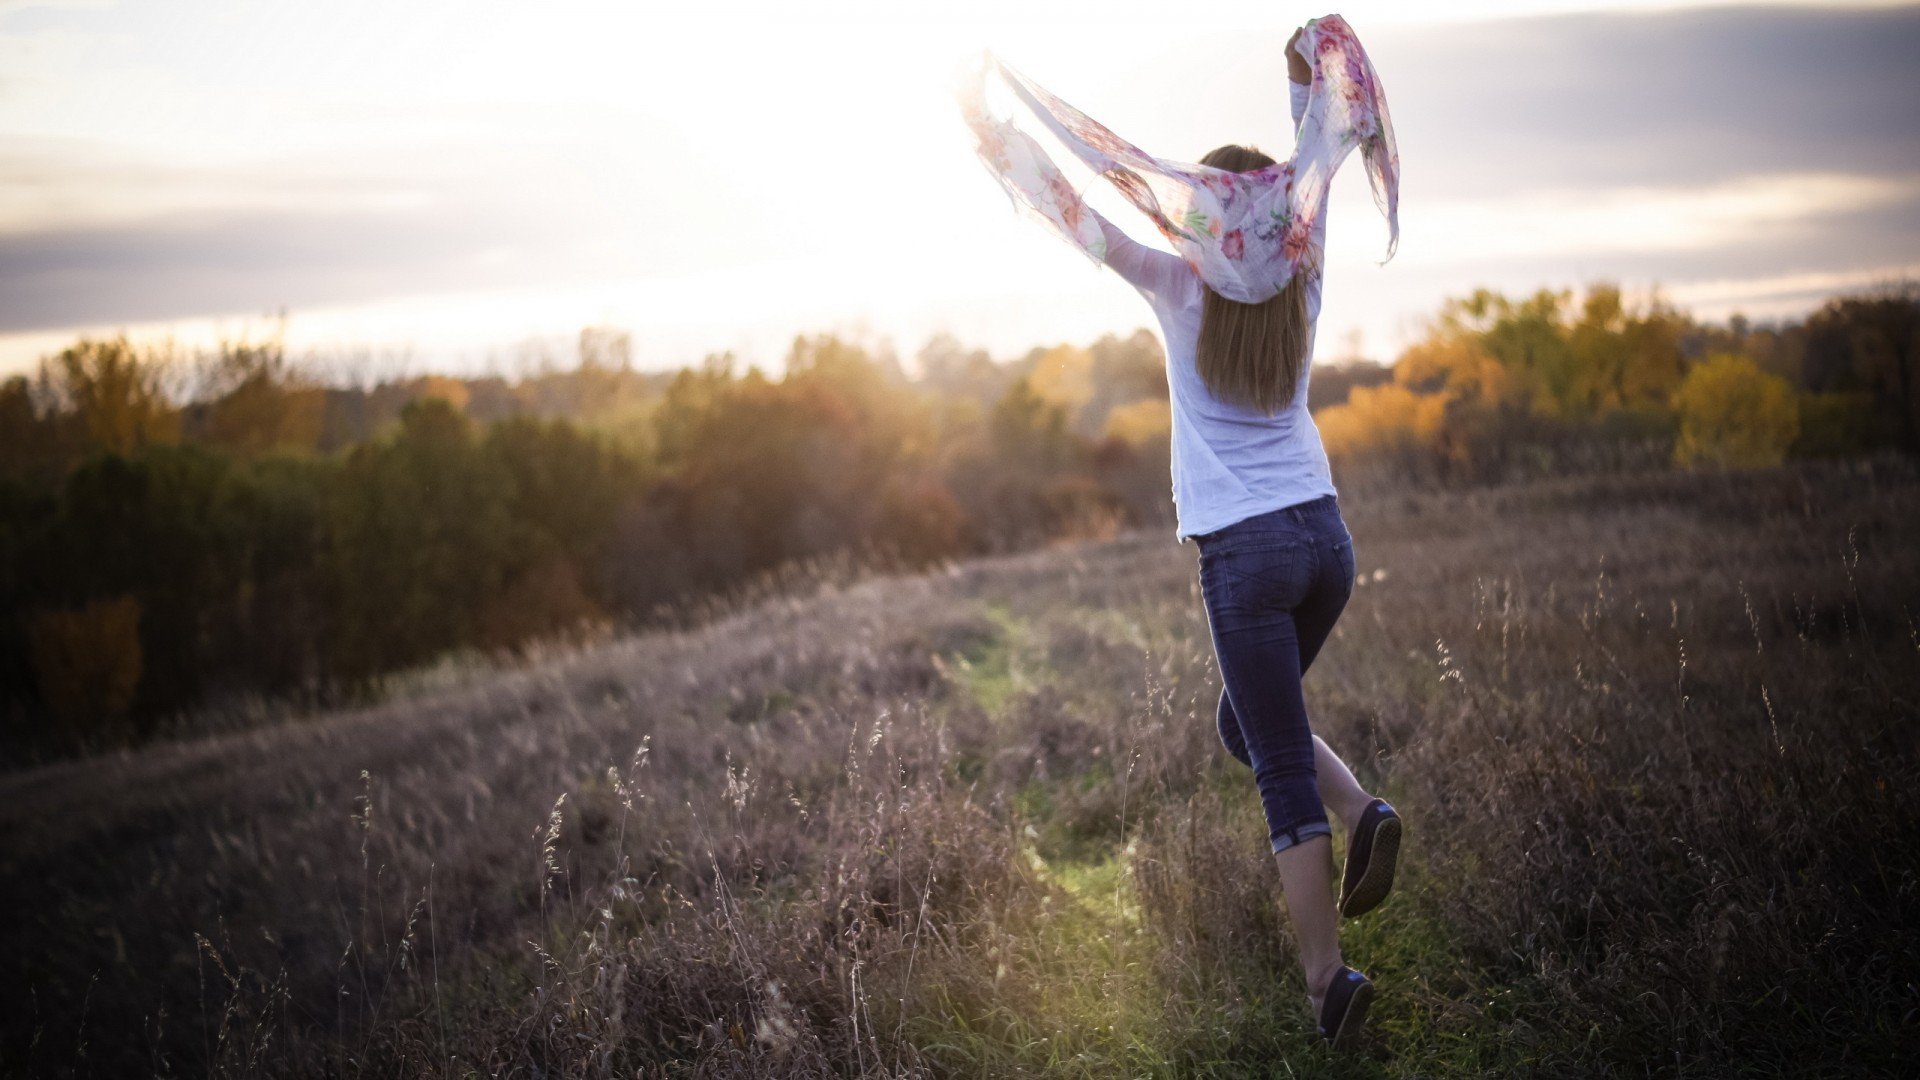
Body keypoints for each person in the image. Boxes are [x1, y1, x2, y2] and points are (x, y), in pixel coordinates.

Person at [1082, 25, 1404, 1049]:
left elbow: (1086, 225)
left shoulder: (1180, 284)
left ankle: (1326, 981)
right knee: (1245, 725)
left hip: (1248, 555)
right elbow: (1314, 159)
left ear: (1205, 222)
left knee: (1268, 757)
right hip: (1326, 544)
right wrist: (1305, 73)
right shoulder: (1301, 278)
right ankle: (1363, 813)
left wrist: (1003, 136)